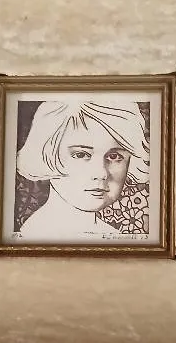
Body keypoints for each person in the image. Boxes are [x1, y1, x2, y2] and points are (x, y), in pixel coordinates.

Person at [16, 100, 149, 240]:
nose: (101, 173)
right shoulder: (33, 235)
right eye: (80, 155)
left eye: (114, 156)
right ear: (48, 155)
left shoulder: (114, 236)